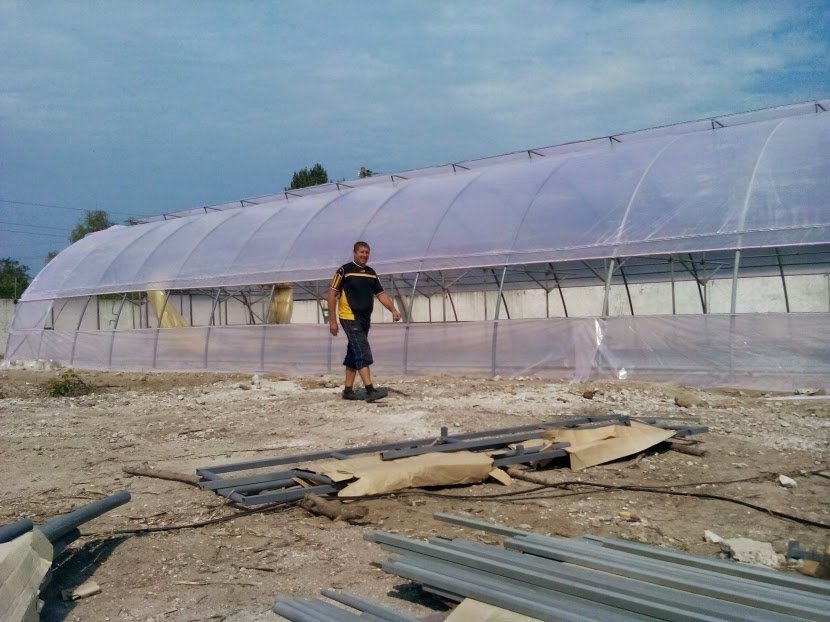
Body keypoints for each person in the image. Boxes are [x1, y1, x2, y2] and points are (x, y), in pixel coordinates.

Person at [328, 241, 401, 401]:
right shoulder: (344, 270)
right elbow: (332, 295)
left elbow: (381, 294)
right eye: (361, 252)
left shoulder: (371, 273)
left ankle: (348, 391)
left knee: (354, 352)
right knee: (362, 350)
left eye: (367, 252)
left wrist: (393, 310)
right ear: (355, 252)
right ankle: (370, 390)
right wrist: (332, 321)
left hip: (364, 319)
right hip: (349, 317)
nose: (364, 255)